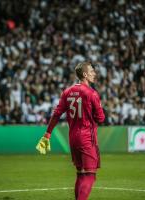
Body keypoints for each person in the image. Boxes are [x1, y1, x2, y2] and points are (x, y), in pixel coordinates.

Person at [36, 61, 105, 200]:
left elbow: (56, 114)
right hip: (87, 137)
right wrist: (100, 107)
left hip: (73, 137)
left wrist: (47, 133)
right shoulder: (92, 93)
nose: (94, 73)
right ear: (85, 74)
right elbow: (101, 118)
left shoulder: (67, 91)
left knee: (80, 173)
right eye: (92, 71)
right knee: (90, 175)